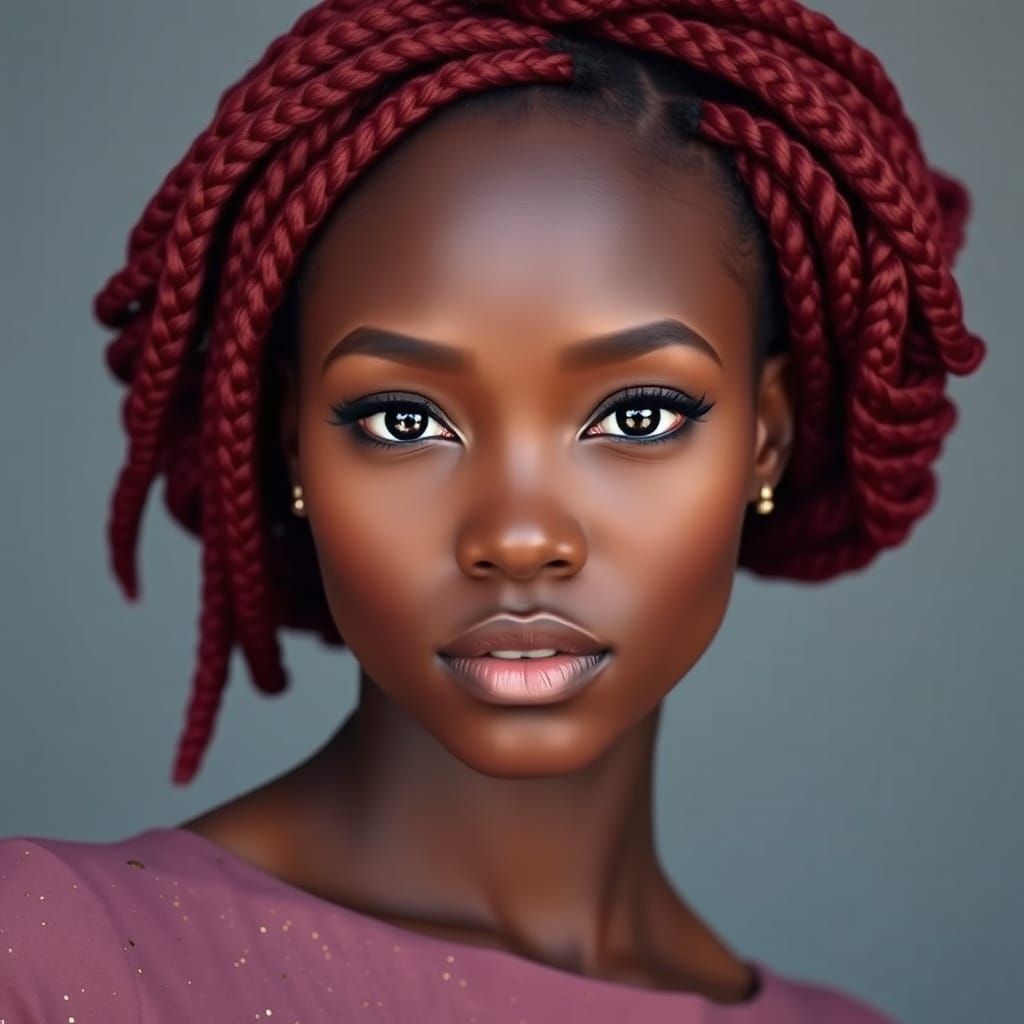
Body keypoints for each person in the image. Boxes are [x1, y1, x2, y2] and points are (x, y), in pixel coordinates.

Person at [1, 0, 985, 1019]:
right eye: (401, 420)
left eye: (638, 414)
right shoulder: (44, 960)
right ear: (293, 436)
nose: (518, 537)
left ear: (763, 438)